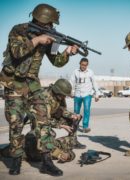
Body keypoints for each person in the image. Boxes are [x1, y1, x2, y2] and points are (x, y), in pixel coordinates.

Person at [0, 4, 79, 176]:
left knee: (43, 121)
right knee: (16, 124)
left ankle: (47, 162)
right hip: (14, 84)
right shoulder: (19, 30)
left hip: (33, 85)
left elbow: (56, 61)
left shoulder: (50, 36)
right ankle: (16, 161)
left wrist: (67, 53)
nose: (52, 27)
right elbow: (16, 52)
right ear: (43, 21)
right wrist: (37, 40)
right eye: (51, 23)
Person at [70, 58, 100, 133]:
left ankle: (85, 127)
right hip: (77, 94)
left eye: (85, 65)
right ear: (80, 63)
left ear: (87, 65)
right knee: (76, 112)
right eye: (82, 65)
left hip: (87, 94)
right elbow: (71, 82)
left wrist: (97, 94)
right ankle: (74, 126)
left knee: (86, 110)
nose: (84, 66)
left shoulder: (90, 72)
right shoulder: (75, 72)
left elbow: (94, 83)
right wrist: (71, 92)